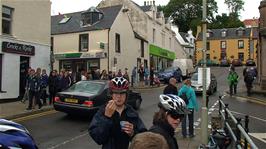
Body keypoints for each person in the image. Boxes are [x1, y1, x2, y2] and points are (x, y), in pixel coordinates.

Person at [89, 77, 147, 149]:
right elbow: (98, 138)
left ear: (126, 95)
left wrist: (133, 133)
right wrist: (106, 117)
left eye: (122, 93)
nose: (119, 97)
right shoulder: (103, 110)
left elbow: (144, 137)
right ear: (111, 94)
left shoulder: (131, 111)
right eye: (116, 93)